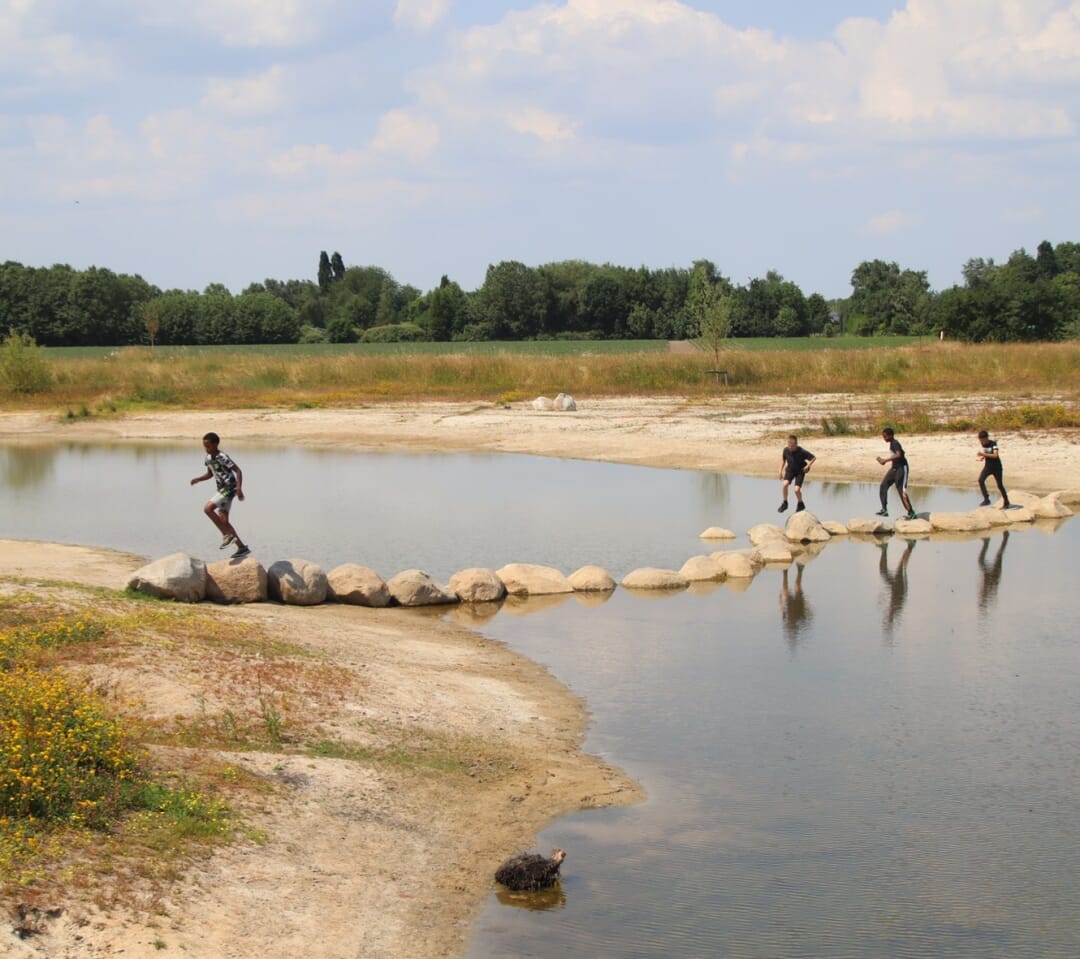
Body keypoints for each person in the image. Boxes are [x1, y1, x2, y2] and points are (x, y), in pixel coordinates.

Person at [190, 432, 250, 558]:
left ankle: (226, 535)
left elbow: (238, 470)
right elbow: (210, 474)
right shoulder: (208, 458)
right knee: (224, 521)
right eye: (205, 447)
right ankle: (241, 547)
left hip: (229, 487)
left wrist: (239, 488)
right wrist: (198, 479)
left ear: (216, 444)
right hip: (221, 489)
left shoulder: (222, 456)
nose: (207, 449)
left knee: (208, 509)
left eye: (209, 446)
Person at [875, 427, 916, 519]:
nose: (884, 438)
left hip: (902, 468)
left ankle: (911, 512)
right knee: (883, 485)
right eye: (883, 436)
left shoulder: (895, 443)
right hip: (894, 469)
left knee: (902, 491)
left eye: (885, 436)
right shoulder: (891, 444)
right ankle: (884, 510)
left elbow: (898, 455)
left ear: (890, 435)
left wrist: (885, 460)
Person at [777, 434, 815, 513]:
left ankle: (800, 503)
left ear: (796, 444)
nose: (791, 448)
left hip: (800, 471)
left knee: (796, 490)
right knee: (785, 484)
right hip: (790, 470)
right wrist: (780, 471)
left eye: (793, 446)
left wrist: (808, 466)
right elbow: (783, 460)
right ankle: (785, 503)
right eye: (790, 446)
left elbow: (813, 458)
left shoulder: (801, 451)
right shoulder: (786, 450)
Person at [976, 430, 1011, 508]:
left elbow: (995, 455)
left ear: (986, 438)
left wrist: (983, 454)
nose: (981, 442)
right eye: (980, 440)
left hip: (997, 467)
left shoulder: (993, 444)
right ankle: (986, 499)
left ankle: (1006, 502)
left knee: (1000, 485)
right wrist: (982, 457)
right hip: (988, 467)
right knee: (981, 480)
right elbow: (988, 453)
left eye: (982, 440)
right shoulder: (983, 444)